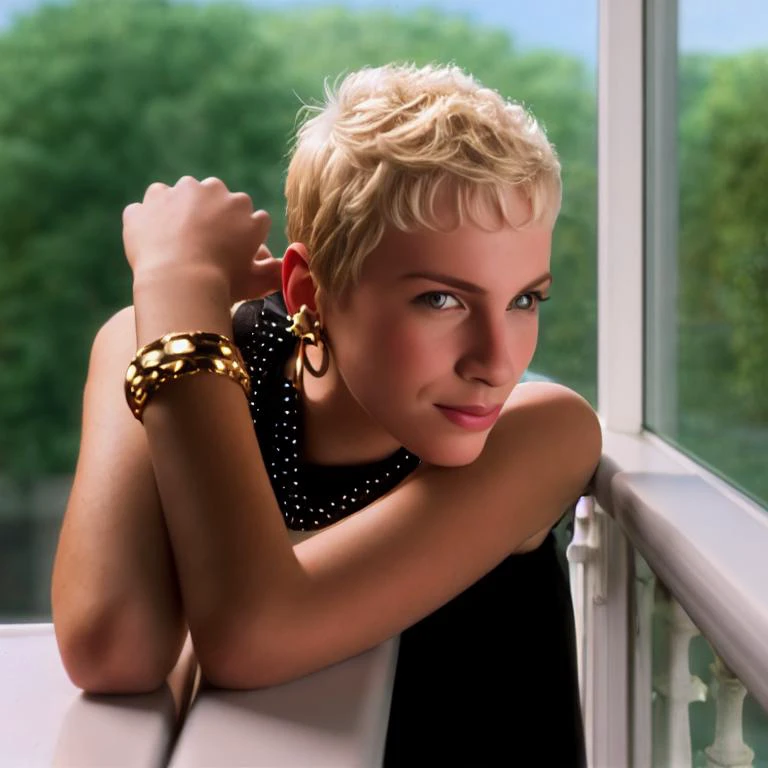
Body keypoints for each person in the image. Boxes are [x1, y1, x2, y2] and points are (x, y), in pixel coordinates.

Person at [51, 62, 600, 765]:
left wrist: (175, 279)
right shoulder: (180, 351)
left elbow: (256, 635)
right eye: (442, 299)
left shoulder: (544, 433)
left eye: (526, 299)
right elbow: (111, 646)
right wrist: (167, 294)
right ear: (308, 289)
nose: (496, 360)